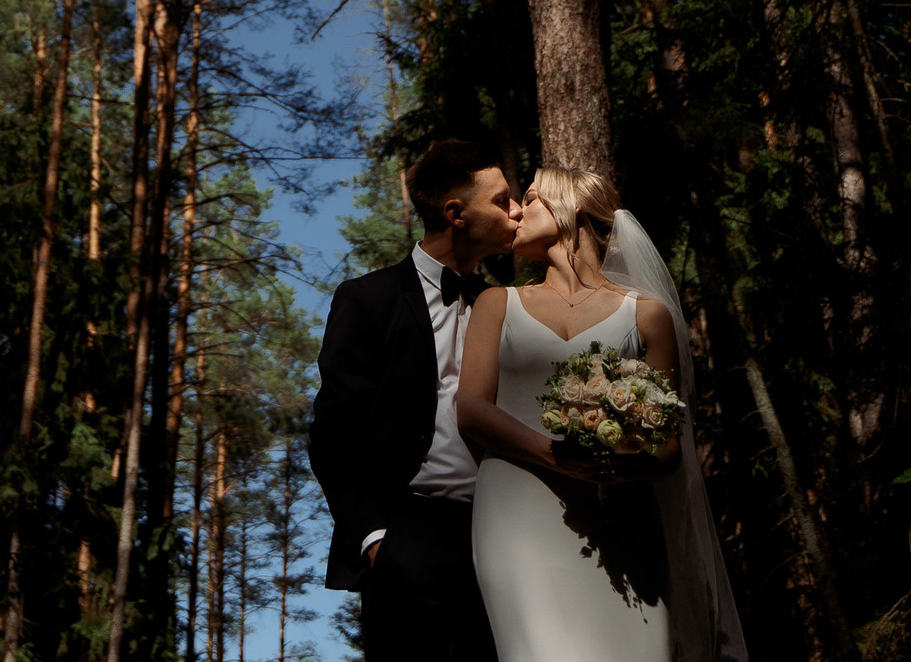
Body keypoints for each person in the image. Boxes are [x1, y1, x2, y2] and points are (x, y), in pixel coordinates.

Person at [457, 167, 748, 662]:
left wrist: (627, 465)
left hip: (620, 518)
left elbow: (669, 448)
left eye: (529, 199)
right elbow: (471, 411)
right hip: (516, 517)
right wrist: (556, 455)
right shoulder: (496, 302)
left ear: (570, 208)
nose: (515, 213)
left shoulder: (645, 314)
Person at [308, 138, 520, 662]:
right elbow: (334, 432)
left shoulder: (506, 308)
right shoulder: (368, 300)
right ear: (456, 213)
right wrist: (377, 539)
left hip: (503, 536)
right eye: (501, 200)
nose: (516, 212)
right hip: (408, 536)